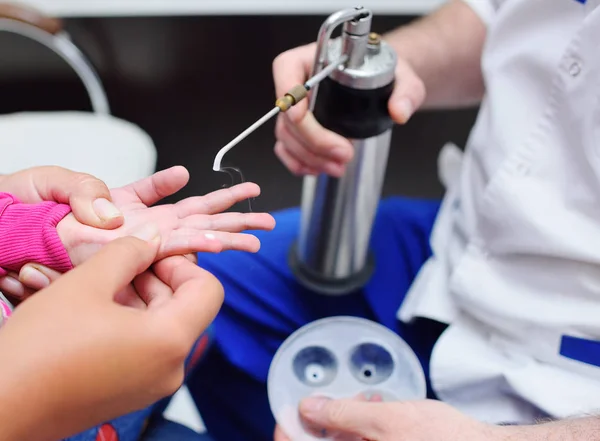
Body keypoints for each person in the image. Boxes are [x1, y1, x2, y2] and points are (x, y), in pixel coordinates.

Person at [183, 0, 600, 440]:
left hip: (568, 379)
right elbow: (502, 15)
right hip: (449, 244)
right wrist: (378, 68)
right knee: (185, 280)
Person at [0, 165, 275, 441]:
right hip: (46, 408)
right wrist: (24, 396)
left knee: (192, 325)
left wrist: (41, 233)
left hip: (94, 370)